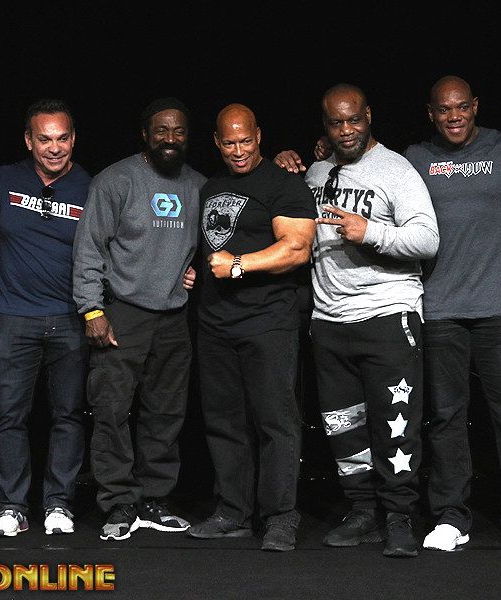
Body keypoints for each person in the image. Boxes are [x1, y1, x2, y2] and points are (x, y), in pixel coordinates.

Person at [275, 75, 501, 555]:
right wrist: (304, 153)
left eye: (461, 107)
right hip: (439, 309)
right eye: (443, 110)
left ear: (475, 106)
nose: (454, 116)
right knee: (445, 417)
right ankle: (450, 516)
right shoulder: (416, 157)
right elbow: (355, 154)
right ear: (431, 114)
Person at [302, 83, 439, 558]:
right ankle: (362, 512)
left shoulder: (396, 169)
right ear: (326, 126)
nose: (346, 130)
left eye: (354, 120)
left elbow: (427, 239)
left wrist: (371, 232)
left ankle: (399, 516)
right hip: (329, 318)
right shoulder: (317, 171)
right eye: (336, 122)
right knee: (343, 425)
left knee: (395, 422)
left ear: (369, 117)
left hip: (387, 314)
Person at [72, 97, 205, 541]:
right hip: (121, 314)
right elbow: (89, 248)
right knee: (111, 410)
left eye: (178, 131)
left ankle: (154, 497)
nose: (170, 138)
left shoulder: (198, 185)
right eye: (161, 130)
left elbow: (219, 240)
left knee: (165, 412)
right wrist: (92, 309)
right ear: (145, 134)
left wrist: (193, 270)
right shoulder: (116, 180)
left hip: (173, 317)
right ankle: (119, 501)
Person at [185, 103, 316, 552]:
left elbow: (297, 248)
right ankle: (232, 511)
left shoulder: (283, 184)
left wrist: (239, 264)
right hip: (215, 323)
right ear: (217, 142)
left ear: (259, 136)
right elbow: (208, 247)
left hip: (268, 322)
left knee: (276, 421)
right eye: (229, 143)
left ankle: (281, 516)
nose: (238, 150)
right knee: (223, 421)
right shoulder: (211, 186)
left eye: (245, 140)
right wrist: (192, 271)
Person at [0, 99, 90, 537]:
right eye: (44, 139)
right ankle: (12, 506)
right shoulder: (1, 179)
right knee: (9, 416)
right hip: (14, 317)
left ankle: (58, 504)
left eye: (62, 138)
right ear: (29, 141)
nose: (54, 147)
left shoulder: (91, 186)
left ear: (73, 139)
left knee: (69, 415)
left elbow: (123, 243)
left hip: (71, 318)